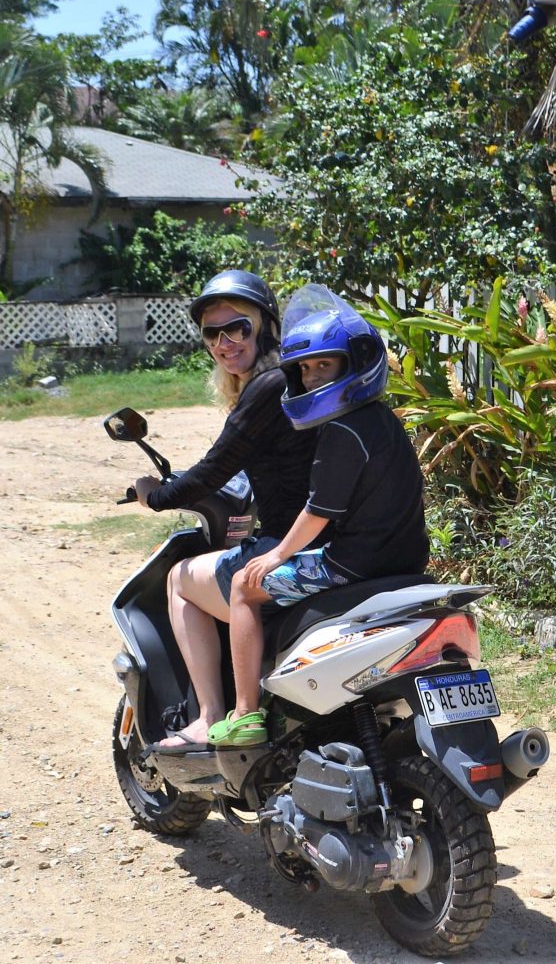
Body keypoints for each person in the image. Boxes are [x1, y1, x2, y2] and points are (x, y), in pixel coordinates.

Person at [207, 284, 430, 747]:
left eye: (323, 364)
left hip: (349, 564)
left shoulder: (341, 431)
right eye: (305, 368)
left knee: (243, 588)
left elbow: (317, 512)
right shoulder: (384, 421)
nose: (310, 378)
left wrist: (275, 556)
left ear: (356, 362)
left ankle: (245, 714)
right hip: (405, 561)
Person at [134, 269, 318, 753]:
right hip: (331, 537)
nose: (225, 341)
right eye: (212, 333)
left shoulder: (267, 387)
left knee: (180, 580)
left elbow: (215, 467)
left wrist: (155, 495)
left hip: (289, 545)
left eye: (237, 327)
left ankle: (211, 716)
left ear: (265, 326)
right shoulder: (301, 379)